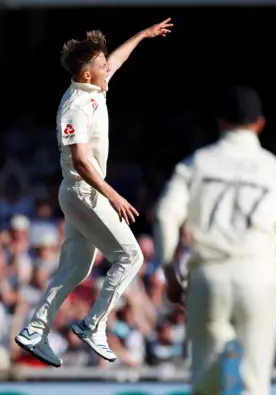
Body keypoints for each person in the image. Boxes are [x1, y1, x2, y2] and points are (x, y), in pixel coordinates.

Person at [153, 87, 276, 395]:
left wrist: (171, 273)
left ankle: (225, 356)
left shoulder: (197, 163)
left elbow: (163, 216)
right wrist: (274, 272)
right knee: (254, 390)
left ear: (220, 122)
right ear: (260, 124)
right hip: (259, 273)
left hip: (207, 275)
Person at [15, 18, 173, 367]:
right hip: (84, 192)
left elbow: (115, 59)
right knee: (131, 257)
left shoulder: (94, 87)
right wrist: (113, 195)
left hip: (81, 194)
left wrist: (142, 35)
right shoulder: (74, 105)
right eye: (101, 66)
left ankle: (35, 331)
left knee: (75, 270)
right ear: (87, 74)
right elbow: (81, 161)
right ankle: (93, 324)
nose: (108, 68)